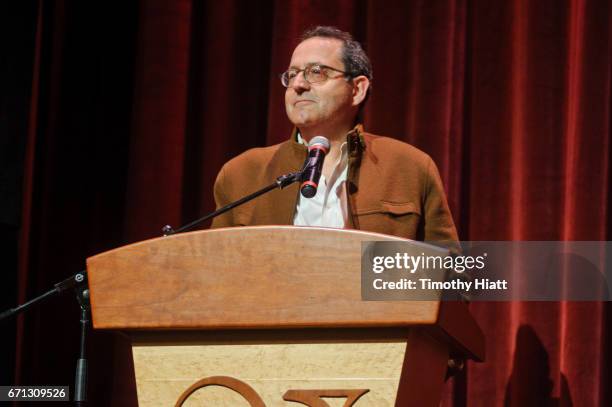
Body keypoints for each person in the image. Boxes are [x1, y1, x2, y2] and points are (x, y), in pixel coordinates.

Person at [211, 26, 457, 243]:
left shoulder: (410, 167)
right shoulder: (241, 173)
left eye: (316, 72)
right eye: (293, 74)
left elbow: (454, 279)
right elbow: (214, 272)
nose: (298, 85)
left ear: (357, 89)